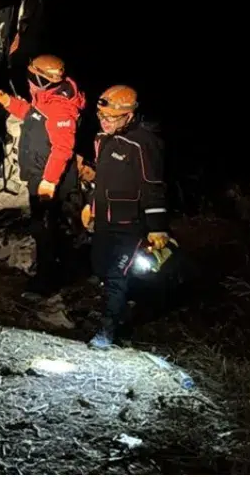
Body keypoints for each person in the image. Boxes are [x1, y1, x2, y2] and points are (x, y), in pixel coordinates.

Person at [0, 54, 86, 299]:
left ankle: (46, 284)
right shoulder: (46, 96)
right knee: (46, 228)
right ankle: (59, 274)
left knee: (46, 230)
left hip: (50, 180)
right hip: (40, 174)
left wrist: (48, 182)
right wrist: (8, 101)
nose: (28, 79)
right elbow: (33, 116)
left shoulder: (60, 106)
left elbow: (63, 148)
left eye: (32, 76)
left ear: (42, 79)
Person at [83, 85, 168, 349]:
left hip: (130, 224)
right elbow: (103, 180)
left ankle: (108, 331)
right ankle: (121, 309)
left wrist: (157, 228)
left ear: (129, 116)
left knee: (115, 274)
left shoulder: (143, 143)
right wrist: (91, 206)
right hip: (104, 221)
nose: (105, 121)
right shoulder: (102, 138)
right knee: (100, 269)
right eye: (101, 115)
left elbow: (153, 186)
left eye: (111, 117)